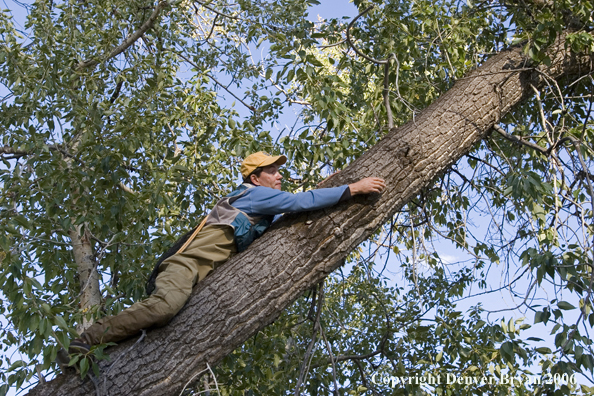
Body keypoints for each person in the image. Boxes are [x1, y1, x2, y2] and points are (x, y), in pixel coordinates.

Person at [68, 151, 386, 354]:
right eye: (272, 170)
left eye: (278, 170)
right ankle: (89, 339)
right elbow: (299, 202)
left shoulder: (256, 204)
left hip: (197, 274)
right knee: (165, 308)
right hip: (183, 266)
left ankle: (101, 346)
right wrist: (352, 189)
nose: (279, 175)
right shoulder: (254, 195)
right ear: (254, 177)